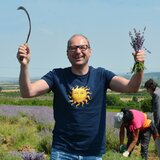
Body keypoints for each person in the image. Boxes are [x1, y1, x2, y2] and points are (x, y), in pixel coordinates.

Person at [17, 34, 145, 160]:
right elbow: (27, 92)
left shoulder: (102, 75)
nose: (78, 51)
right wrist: (24, 65)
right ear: (67, 53)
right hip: (62, 152)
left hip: (93, 153)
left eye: (83, 47)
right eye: (73, 48)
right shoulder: (56, 76)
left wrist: (139, 67)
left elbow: (131, 87)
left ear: (90, 51)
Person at [144, 79, 160, 158]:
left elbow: (157, 112)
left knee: (158, 145)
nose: (147, 91)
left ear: (150, 87)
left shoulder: (156, 95)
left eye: (147, 89)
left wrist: (156, 128)